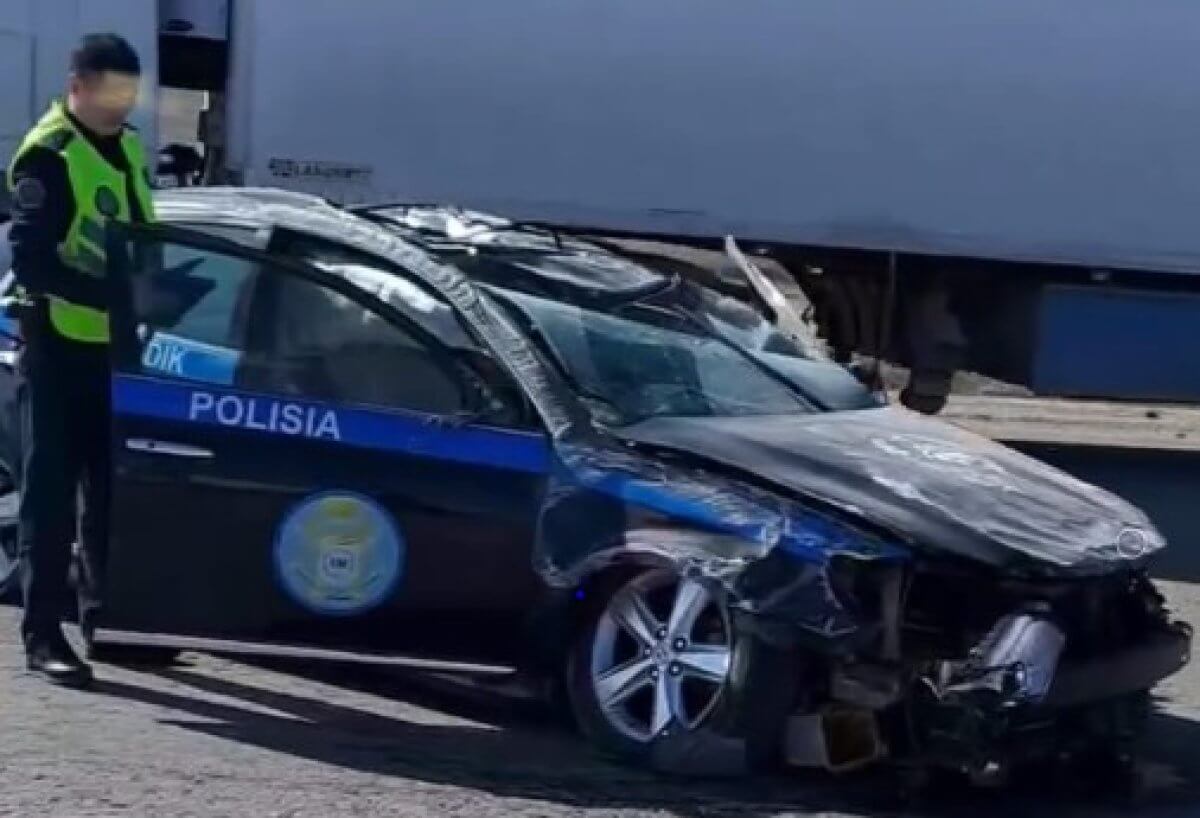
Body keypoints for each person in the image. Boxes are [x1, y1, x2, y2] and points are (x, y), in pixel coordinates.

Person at [5, 33, 156, 687]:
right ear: (79, 86)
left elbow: (142, 236)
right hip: (58, 343)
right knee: (52, 492)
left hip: (115, 344)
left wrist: (160, 291)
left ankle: (104, 618)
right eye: (113, 93)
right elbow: (33, 263)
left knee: (111, 490)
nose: (124, 106)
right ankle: (43, 634)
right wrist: (112, 295)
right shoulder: (50, 155)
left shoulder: (127, 149)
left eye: (131, 94)